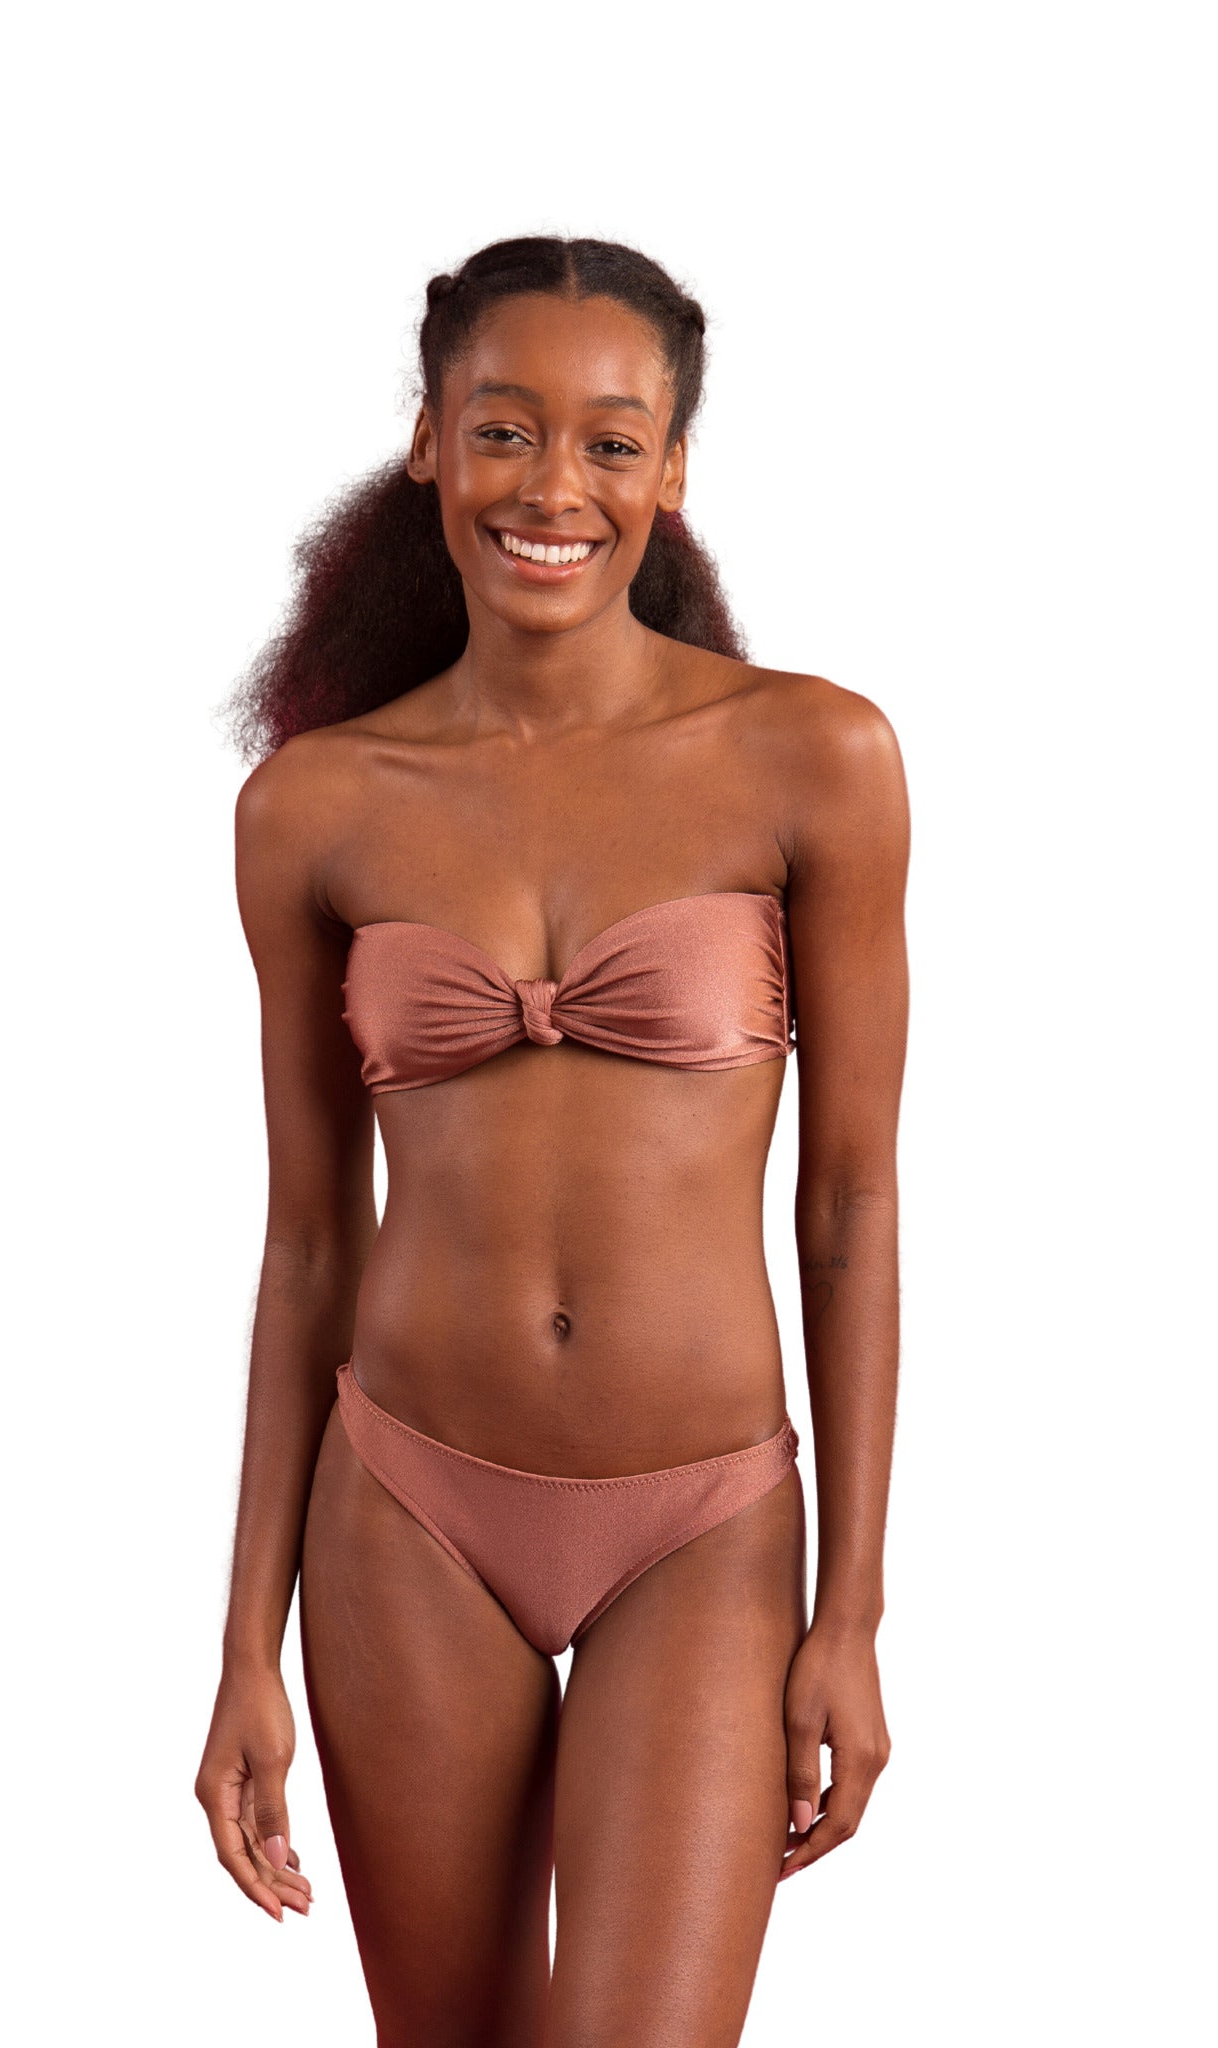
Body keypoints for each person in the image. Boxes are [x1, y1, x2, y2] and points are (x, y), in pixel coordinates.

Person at [195, 235, 909, 2047]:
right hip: (404, 1509)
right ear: (428, 442)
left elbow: (847, 1205)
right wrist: (243, 1646)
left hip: (701, 1518)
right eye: (503, 429)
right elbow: (305, 1244)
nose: (551, 488)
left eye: (609, 442)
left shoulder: (812, 758)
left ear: (670, 472)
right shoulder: (313, 806)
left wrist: (851, 1611)